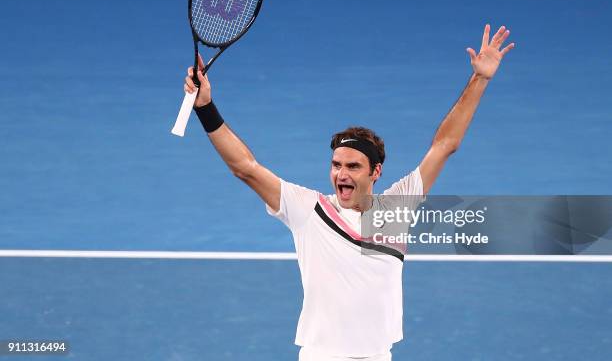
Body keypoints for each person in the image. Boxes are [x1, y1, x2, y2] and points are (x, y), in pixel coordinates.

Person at [183, 24, 515, 361]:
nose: (341, 174)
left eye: (353, 166)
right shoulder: (307, 210)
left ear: (375, 172)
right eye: (336, 165)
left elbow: (445, 145)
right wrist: (206, 108)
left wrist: (480, 79)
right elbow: (246, 167)